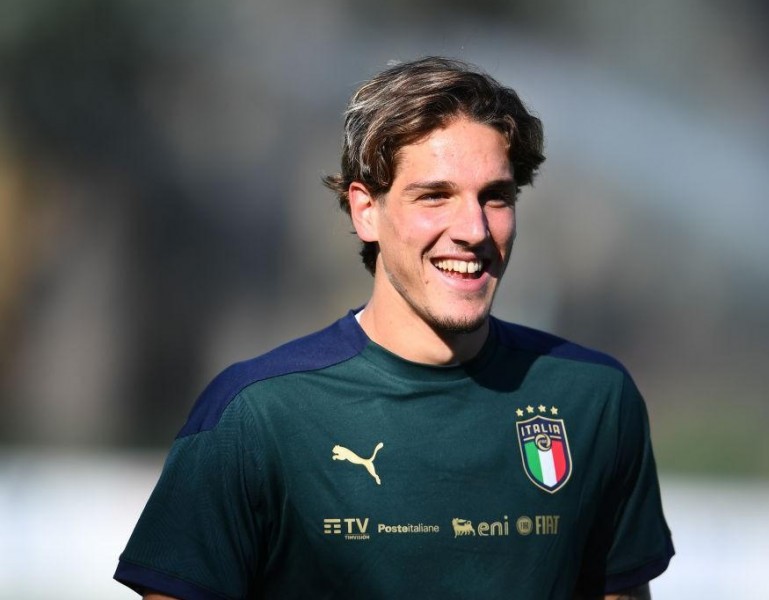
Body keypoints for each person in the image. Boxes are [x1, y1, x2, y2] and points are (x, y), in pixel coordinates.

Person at [114, 56, 674, 600]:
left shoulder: (594, 399)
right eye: (435, 196)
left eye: (495, 198)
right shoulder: (255, 417)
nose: (473, 230)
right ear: (366, 211)